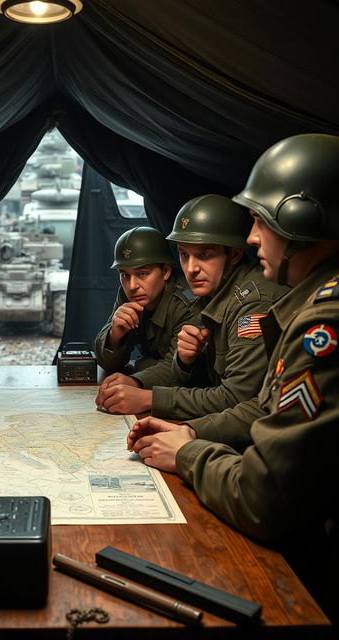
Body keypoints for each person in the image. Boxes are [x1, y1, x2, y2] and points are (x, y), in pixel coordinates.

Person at [127, 133, 339, 620]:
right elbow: (264, 405)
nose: (251, 237)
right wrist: (185, 425)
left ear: (301, 222)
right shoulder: (303, 300)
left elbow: (265, 497)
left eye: (261, 221)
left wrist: (187, 450)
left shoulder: (321, 322)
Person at [95, 195, 288, 419]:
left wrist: (148, 397)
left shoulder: (251, 304)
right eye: (184, 255)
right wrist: (185, 361)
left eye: (204, 255)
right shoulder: (211, 291)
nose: (191, 269)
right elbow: (199, 375)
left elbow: (236, 397)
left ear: (234, 254)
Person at [94, 226, 198, 374]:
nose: (132, 285)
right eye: (125, 275)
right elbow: (107, 363)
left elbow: (178, 372)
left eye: (142, 273)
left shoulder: (187, 304)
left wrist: (138, 374)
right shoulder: (129, 294)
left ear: (166, 271)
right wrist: (114, 337)